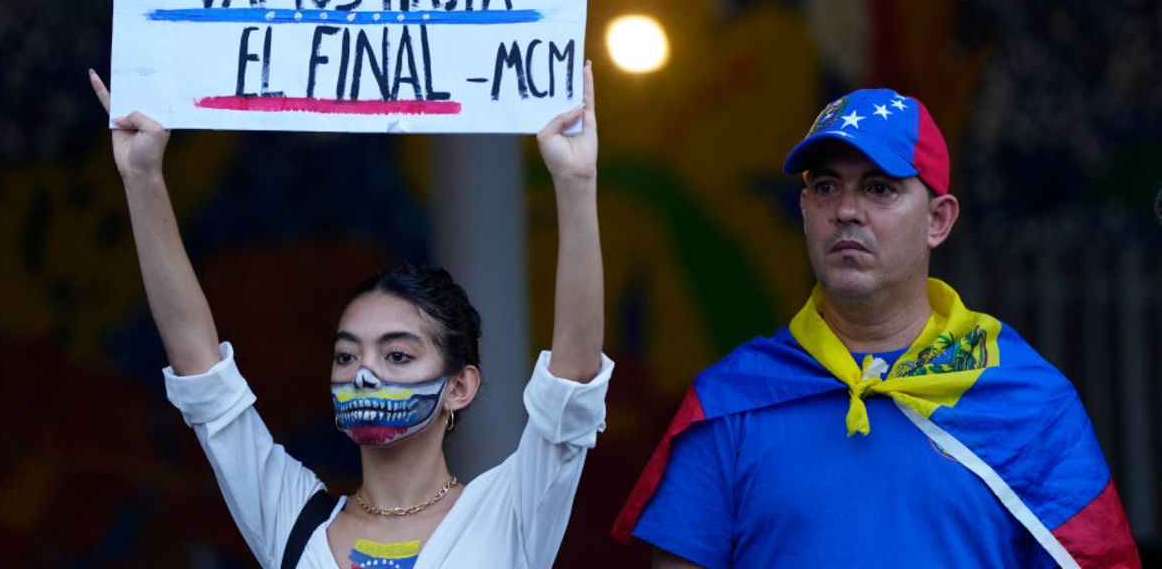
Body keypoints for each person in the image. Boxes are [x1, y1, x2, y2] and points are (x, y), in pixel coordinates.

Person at [89, 64, 611, 569]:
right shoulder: (292, 520)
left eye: (398, 354)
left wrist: (575, 181)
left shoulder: (511, 513)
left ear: (460, 386)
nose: (364, 372)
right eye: (346, 354)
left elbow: (571, 383)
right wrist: (142, 176)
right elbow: (202, 373)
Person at [611, 88, 1140, 569]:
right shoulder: (732, 401)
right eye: (825, 187)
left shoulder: (1024, 398)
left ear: (938, 220)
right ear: (804, 208)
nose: (846, 210)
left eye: (879, 188)